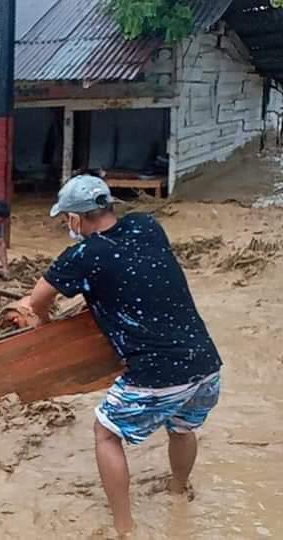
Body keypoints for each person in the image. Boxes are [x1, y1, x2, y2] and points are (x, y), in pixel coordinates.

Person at [26, 174, 222, 537]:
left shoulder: (83, 255)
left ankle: (123, 527)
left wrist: (39, 318)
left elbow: (38, 301)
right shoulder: (147, 225)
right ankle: (178, 491)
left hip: (158, 372)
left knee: (106, 432)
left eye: (66, 217)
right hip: (206, 362)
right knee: (182, 427)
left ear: (75, 218)